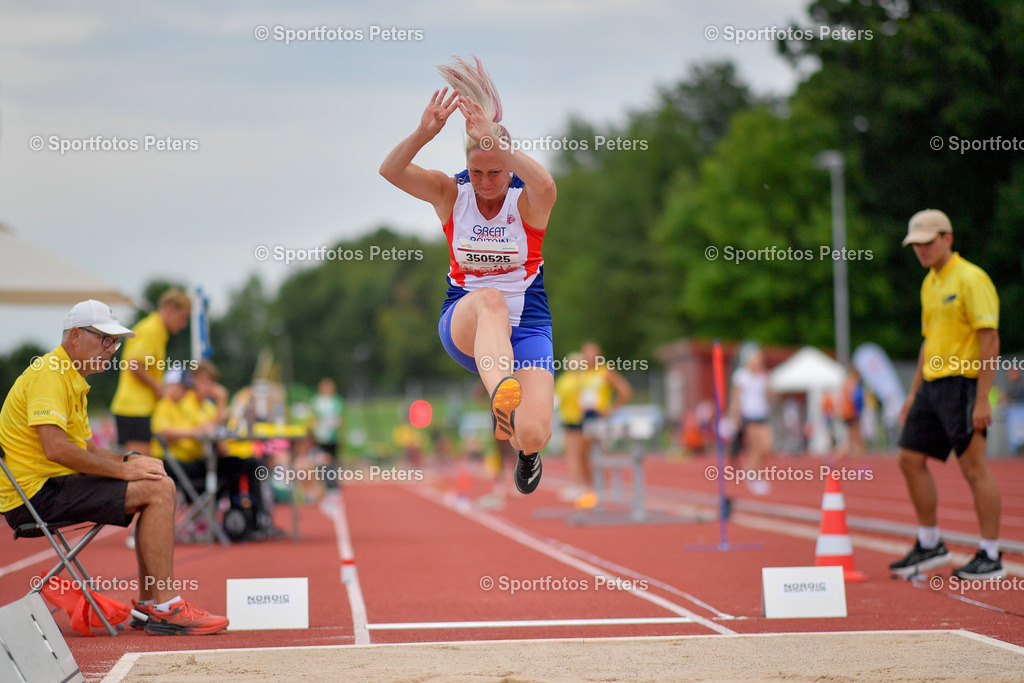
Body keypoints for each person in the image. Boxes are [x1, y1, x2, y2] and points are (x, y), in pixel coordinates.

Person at [380, 56, 557, 494]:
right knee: (491, 298)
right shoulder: (451, 192)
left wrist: (496, 140)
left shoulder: (527, 202)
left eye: (495, 171)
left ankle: (525, 448)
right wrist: (424, 133)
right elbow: (391, 171)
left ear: (509, 166)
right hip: (466, 322)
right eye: (477, 172)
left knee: (533, 433)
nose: (485, 182)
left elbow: (548, 185)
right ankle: (502, 395)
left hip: (528, 327)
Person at [0, 300, 227, 634]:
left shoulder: (70, 376)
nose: (111, 349)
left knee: (155, 478)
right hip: (33, 497)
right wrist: (124, 471)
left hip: (49, 486)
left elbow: (88, 450)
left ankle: (154, 604)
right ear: (75, 336)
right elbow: (56, 449)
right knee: (159, 488)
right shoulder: (50, 374)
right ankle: (163, 606)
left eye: (114, 342)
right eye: (104, 340)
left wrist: (131, 461)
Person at [890, 209, 1003, 580]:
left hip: (964, 383)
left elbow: (990, 339)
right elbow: (929, 340)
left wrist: (983, 397)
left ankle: (990, 554)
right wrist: (912, 392)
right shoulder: (929, 283)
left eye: (928, 242)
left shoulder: (972, 278)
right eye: (916, 244)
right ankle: (930, 543)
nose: (921, 250)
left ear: (947, 238)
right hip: (931, 384)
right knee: (908, 458)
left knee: (973, 468)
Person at [110, 288, 192, 455]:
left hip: (136, 407)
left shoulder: (156, 330)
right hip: (134, 407)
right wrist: (157, 387)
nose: (183, 324)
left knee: (140, 465)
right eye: (183, 318)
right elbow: (133, 364)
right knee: (140, 467)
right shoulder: (152, 329)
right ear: (169, 309)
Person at [571, 342, 633, 509]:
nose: (589, 358)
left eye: (593, 355)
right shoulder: (582, 373)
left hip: (600, 417)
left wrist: (612, 409)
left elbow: (625, 390)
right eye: (587, 354)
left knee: (599, 453)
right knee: (581, 454)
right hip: (585, 416)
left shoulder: (605, 371)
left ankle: (602, 490)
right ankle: (590, 488)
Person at [727, 346, 774, 495]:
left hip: (762, 415)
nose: (759, 361)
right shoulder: (741, 376)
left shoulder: (763, 376)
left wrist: (766, 380)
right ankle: (754, 476)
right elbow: (735, 398)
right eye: (756, 358)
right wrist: (734, 416)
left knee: (766, 447)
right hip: (749, 416)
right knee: (755, 447)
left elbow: (770, 396)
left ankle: (752, 471)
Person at [311, 377, 345, 491]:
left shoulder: (336, 401)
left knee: (332, 460)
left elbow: (339, 418)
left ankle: (332, 482)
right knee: (320, 459)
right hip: (319, 436)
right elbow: (313, 417)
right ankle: (323, 482)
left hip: (332, 436)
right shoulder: (316, 400)